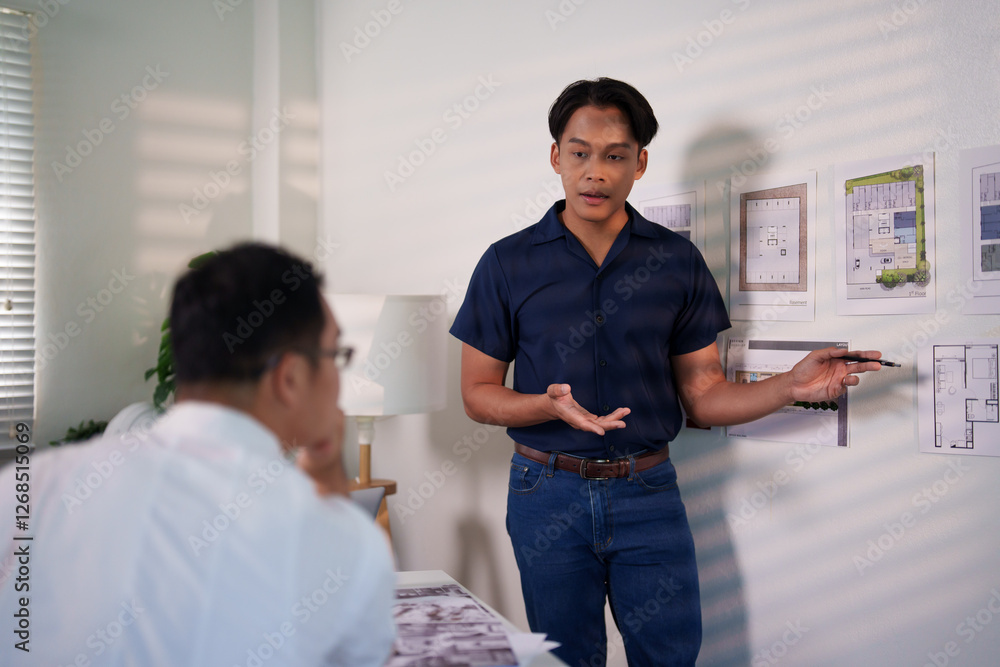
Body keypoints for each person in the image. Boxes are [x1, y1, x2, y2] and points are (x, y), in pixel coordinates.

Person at [449, 78, 883, 666]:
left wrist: (791, 385)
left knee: (670, 656)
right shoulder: (506, 263)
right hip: (545, 493)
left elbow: (703, 396)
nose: (595, 172)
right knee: (564, 659)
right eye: (579, 153)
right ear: (556, 157)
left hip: (647, 493)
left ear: (640, 163)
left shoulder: (676, 262)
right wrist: (544, 406)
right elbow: (477, 394)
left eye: (614, 156)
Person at [0, 243, 396, 666]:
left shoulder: (29, 489)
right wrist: (333, 499)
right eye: (335, 355)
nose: (339, 377)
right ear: (291, 377)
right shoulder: (347, 548)